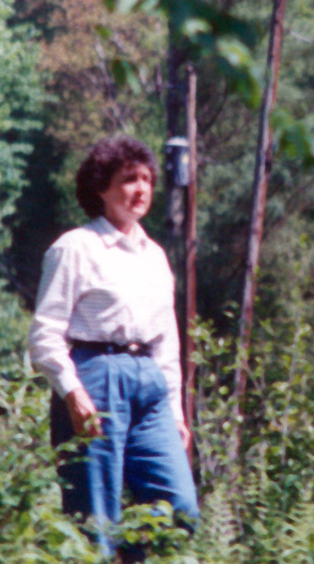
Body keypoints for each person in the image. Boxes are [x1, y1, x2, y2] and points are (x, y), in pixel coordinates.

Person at [28, 135, 198, 561]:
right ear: (102, 188)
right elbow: (45, 334)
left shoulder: (154, 256)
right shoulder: (75, 248)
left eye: (147, 180)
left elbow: (167, 343)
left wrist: (176, 411)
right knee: (96, 520)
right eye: (128, 180)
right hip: (95, 376)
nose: (140, 189)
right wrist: (73, 392)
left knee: (179, 509)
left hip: (149, 383)